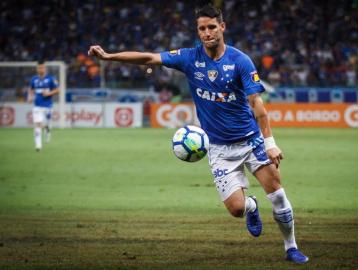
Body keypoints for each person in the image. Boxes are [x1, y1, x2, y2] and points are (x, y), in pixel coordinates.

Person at [88, 4, 308, 263]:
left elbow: (257, 106)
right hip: (218, 149)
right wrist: (109, 57)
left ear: (222, 27)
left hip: (250, 141)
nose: (207, 33)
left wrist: (270, 143)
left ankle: (291, 247)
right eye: (202, 28)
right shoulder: (189, 58)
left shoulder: (240, 61)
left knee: (278, 194)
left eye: (212, 27)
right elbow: (149, 58)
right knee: (236, 209)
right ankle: (251, 206)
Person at [27, 61, 59, 151]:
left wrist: (48, 93)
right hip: (37, 106)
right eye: (39, 67)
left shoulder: (50, 79)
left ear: (45, 68)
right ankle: (38, 146)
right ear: (37, 69)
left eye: (42, 67)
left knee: (45, 123)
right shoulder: (34, 79)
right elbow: (31, 89)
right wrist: (29, 97)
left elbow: (57, 90)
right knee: (37, 124)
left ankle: (47, 127)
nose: (40, 69)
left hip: (48, 105)